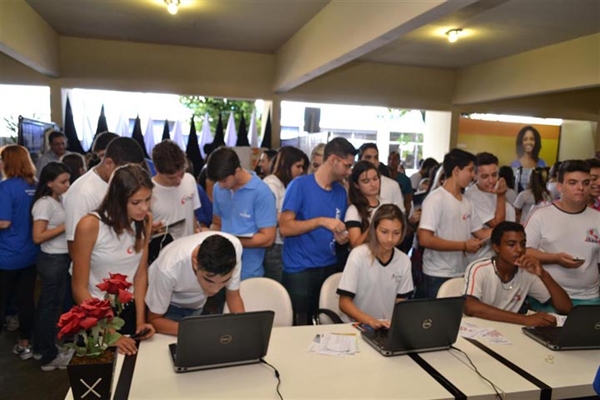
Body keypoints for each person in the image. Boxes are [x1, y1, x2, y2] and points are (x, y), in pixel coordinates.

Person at [71, 164, 156, 355]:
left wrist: (141, 321)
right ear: (118, 200)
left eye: (148, 199)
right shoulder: (90, 225)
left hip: (129, 310)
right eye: (136, 202)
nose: (144, 207)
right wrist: (109, 332)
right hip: (95, 313)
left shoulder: (145, 220)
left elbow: (140, 274)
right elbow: (79, 288)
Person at [280, 137, 355, 325]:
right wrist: (320, 221)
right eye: (347, 165)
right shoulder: (300, 185)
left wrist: (341, 238)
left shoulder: (340, 192)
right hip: (300, 269)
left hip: (328, 266)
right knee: (299, 326)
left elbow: (336, 228)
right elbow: (285, 227)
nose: (349, 171)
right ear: (333, 160)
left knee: (325, 323)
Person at [463, 222, 571, 326]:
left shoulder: (526, 272)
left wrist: (543, 274)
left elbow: (566, 308)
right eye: (511, 244)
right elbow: (470, 307)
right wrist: (524, 319)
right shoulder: (479, 269)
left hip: (509, 332)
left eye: (523, 244)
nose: (519, 249)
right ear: (496, 247)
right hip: (479, 329)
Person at [525, 160, 600, 308]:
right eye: (573, 183)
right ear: (559, 187)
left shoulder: (597, 218)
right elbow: (525, 252)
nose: (580, 188)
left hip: (589, 297)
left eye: (585, 183)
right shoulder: (541, 215)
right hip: (546, 295)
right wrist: (555, 258)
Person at [417, 149, 490, 298]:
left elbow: (481, 233)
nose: (473, 175)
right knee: (437, 319)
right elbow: (424, 238)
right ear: (456, 171)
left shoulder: (467, 202)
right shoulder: (436, 199)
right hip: (437, 273)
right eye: (470, 170)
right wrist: (463, 246)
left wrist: (505, 230)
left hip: (461, 272)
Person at [146, 232, 245, 336]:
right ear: (195, 264)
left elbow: (233, 296)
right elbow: (154, 319)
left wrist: (242, 329)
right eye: (209, 280)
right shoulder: (168, 269)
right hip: (169, 306)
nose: (215, 290)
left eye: (225, 281)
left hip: (197, 304)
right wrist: (197, 331)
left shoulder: (234, 250)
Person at [64, 137, 146, 252]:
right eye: (127, 171)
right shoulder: (82, 193)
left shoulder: (120, 184)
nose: (132, 176)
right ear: (109, 163)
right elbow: (75, 246)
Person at [338, 205, 413, 328]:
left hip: (386, 327)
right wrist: (371, 321)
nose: (390, 239)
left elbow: (401, 302)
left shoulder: (403, 260)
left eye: (396, 233)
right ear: (374, 230)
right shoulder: (358, 255)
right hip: (356, 325)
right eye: (384, 232)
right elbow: (344, 303)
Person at [207, 147, 277, 279]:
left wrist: (230, 240)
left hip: (248, 274)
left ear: (237, 171)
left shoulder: (262, 192)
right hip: (219, 271)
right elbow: (216, 223)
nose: (221, 186)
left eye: (224, 180)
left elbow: (268, 238)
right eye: (218, 181)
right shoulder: (218, 188)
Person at [31, 162, 74, 370]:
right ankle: (49, 356)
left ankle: (45, 348)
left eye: (68, 180)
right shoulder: (45, 203)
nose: (68, 184)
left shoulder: (59, 200)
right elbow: (38, 237)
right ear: (49, 183)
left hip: (60, 259)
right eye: (63, 181)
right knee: (49, 308)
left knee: (52, 307)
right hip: (52, 260)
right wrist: (66, 226)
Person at [0, 145, 39, 360]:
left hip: (5, 257)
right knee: (26, 300)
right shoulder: (36, 185)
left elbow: (4, 222)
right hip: (30, 254)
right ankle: (25, 344)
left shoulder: (5, 188)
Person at [262, 146, 307, 282]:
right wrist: (291, 221)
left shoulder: (287, 184)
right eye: (298, 166)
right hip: (275, 245)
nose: (301, 171)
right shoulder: (271, 184)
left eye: (302, 167)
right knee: (277, 286)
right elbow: (269, 216)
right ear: (286, 165)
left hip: (286, 244)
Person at [464, 152, 515, 261]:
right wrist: (501, 196)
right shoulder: (473, 196)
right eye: (485, 176)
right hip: (482, 259)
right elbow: (498, 226)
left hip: (501, 257)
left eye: (494, 175)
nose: (491, 181)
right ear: (475, 175)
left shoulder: (495, 190)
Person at [150, 140, 201, 240]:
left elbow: (191, 214)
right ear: (156, 170)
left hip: (188, 248)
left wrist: (197, 233)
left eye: (181, 174)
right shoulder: (148, 192)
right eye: (171, 178)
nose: (178, 181)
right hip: (164, 252)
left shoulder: (189, 179)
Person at [357, 143, 405, 213]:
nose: (373, 161)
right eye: (368, 157)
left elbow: (400, 213)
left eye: (376, 158)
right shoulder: (351, 183)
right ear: (360, 160)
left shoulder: (392, 185)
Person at [345, 161, 382, 248]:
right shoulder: (354, 210)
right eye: (366, 181)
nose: (373, 184)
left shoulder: (386, 204)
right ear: (356, 185)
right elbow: (355, 245)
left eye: (375, 179)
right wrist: (375, 225)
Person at [511, 125, 547, 192]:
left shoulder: (542, 163)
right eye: (525, 139)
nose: (528, 142)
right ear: (521, 142)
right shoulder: (514, 164)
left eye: (532, 139)